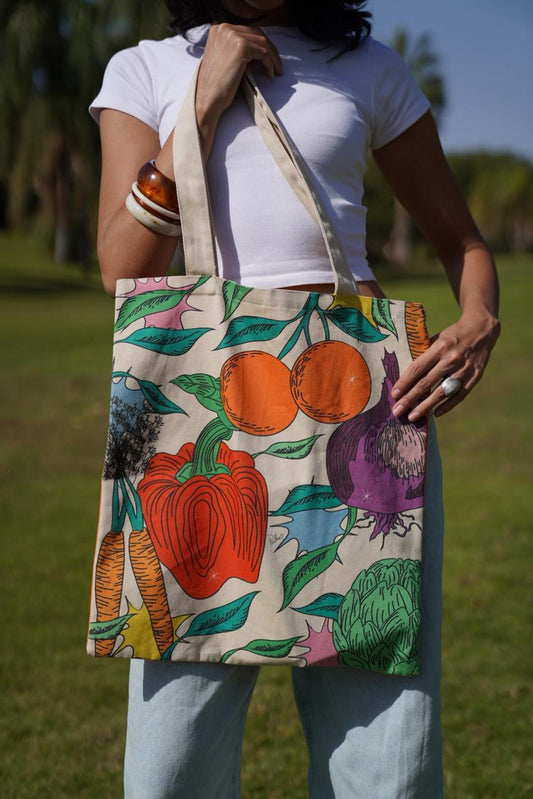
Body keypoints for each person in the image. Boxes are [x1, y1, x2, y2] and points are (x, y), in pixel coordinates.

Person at [90, 1, 500, 796]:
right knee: (172, 762)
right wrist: (200, 106)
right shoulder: (147, 68)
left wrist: (478, 317)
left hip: (365, 429)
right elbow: (122, 268)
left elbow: (463, 241)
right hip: (193, 433)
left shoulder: (368, 66)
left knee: (387, 760)